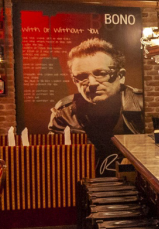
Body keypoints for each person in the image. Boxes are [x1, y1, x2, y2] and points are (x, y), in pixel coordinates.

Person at [46, 38, 144, 172]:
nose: (92, 83)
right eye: (82, 77)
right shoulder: (65, 113)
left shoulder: (141, 105)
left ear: (120, 76)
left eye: (101, 74)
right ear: (74, 80)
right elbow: (56, 162)